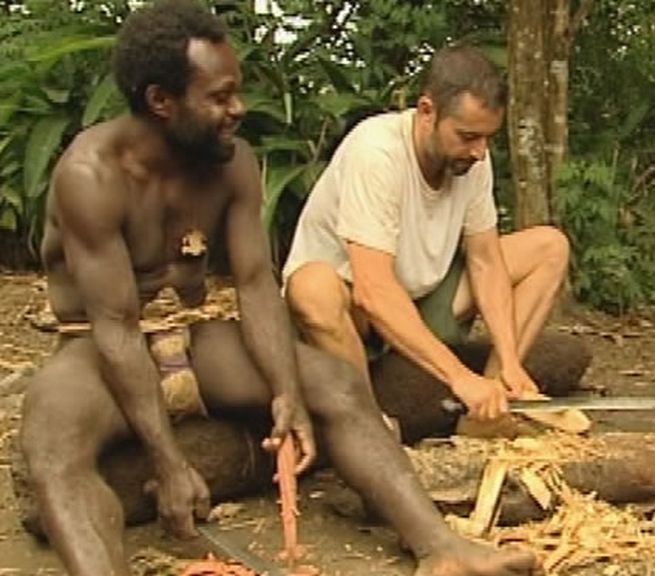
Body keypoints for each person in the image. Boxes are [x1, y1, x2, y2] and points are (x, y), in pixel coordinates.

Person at [19, 2, 538, 575]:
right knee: (50, 443)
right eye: (218, 97)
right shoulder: (89, 175)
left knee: (336, 384)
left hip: (194, 338)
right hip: (98, 351)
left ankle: (441, 548)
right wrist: (168, 464)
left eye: (235, 92)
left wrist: (286, 394)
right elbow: (116, 328)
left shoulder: (232, 163)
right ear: (160, 101)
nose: (237, 109)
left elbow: (254, 284)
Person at [282, 45, 570, 422]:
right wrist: (457, 377)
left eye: (486, 138)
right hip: (355, 314)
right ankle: (368, 424)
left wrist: (510, 358)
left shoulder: (472, 160)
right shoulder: (377, 151)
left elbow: (486, 260)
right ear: (426, 112)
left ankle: (495, 404)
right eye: (467, 136)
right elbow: (372, 290)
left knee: (549, 247)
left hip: (422, 297)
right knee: (312, 288)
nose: (480, 152)